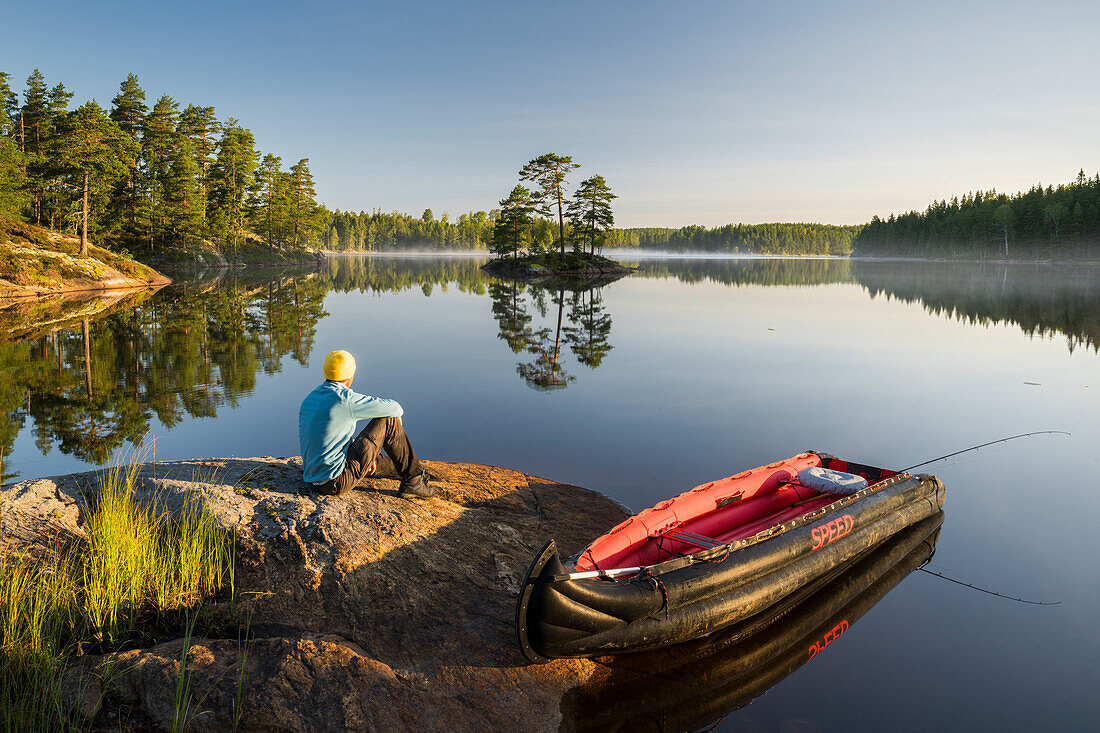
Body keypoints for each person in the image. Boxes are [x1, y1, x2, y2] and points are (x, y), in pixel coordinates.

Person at [298, 349, 434, 499]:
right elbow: (396, 408)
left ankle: (411, 472)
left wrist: (368, 458)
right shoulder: (345, 399)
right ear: (350, 375)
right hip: (336, 481)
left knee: (380, 458)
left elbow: (329, 437)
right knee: (388, 421)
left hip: (312, 478)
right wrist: (395, 417)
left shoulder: (310, 398)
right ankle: (414, 480)